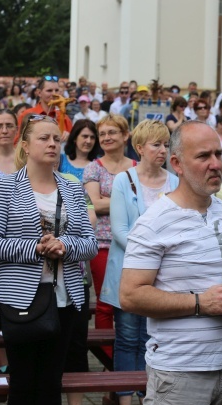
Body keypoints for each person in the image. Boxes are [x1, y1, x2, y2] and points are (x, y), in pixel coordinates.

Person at [119, 120, 222, 405]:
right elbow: (130, 294)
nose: (215, 164)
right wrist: (200, 303)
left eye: (218, 154)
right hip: (179, 371)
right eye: (203, 156)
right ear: (177, 164)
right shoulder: (154, 222)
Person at [0, 113, 98, 405]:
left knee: (50, 382)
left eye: (56, 139)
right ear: (26, 146)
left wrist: (64, 246)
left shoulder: (71, 188)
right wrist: (35, 248)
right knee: (22, 382)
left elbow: (90, 243)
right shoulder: (5, 186)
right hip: (20, 297)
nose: (52, 144)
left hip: (66, 297)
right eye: (44, 138)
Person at [101, 120, 179, 405]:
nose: (162, 150)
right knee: (127, 339)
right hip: (130, 273)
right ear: (140, 148)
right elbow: (119, 230)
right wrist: (151, 251)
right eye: (156, 144)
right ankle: (122, 403)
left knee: (153, 340)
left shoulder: (174, 182)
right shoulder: (124, 180)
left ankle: (148, 402)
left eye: (165, 144)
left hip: (164, 275)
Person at [83, 114, 136, 333]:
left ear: (125, 136)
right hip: (102, 243)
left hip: (134, 243)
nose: (106, 137)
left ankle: (127, 353)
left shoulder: (136, 168)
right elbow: (94, 205)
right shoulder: (93, 168)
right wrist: (128, 202)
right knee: (105, 304)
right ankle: (108, 359)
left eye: (112, 132)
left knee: (133, 301)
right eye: (102, 133)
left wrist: (109, 201)